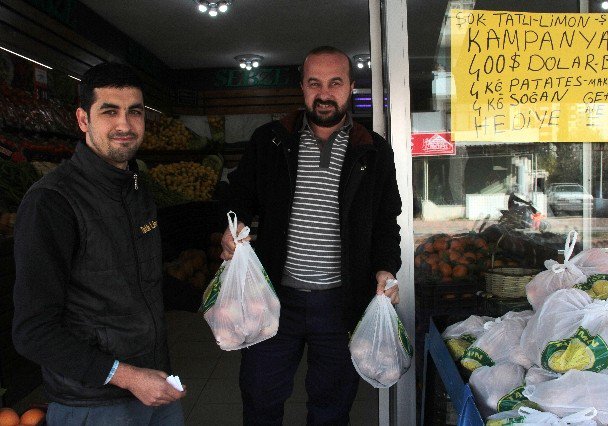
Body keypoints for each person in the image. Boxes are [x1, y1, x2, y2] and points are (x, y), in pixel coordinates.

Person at [221, 46, 402, 425]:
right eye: (315, 83)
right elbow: (237, 194)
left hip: (340, 305)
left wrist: (386, 268)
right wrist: (230, 225)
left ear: (351, 87)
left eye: (335, 83)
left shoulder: (372, 150)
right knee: (259, 397)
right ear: (302, 87)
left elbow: (387, 220)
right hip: (272, 301)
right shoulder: (270, 140)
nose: (324, 93)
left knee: (331, 407)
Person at [12, 62, 185, 425]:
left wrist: (217, 297)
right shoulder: (53, 201)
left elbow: (142, 282)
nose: (124, 125)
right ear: (82, 119)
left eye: (134, 112)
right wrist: (127, 376)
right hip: (93, 403)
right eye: (109, 111)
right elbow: (33, 331)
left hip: (157, 388)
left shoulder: (138, 190)